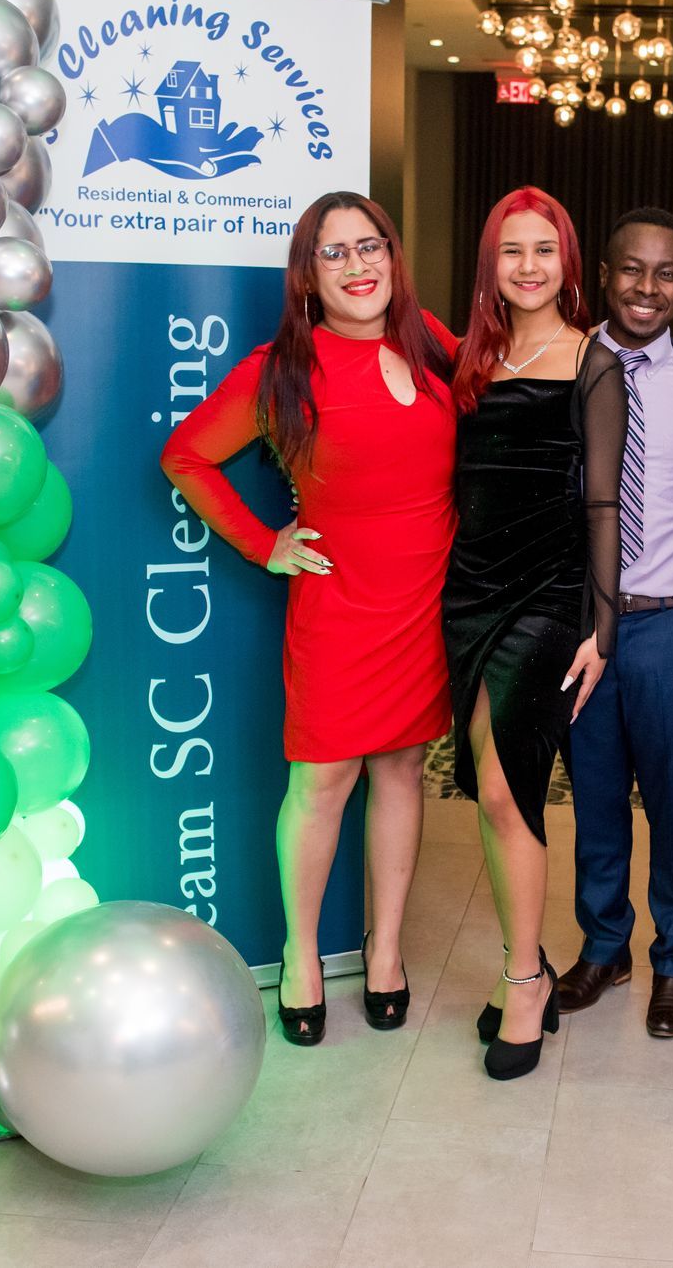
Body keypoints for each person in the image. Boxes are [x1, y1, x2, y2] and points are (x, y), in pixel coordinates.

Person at [161, 191, 458, 1047]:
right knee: (322, 783)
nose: (359, 266)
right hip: (339, 605)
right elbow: (186, 456)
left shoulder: (430, 341)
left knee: (401, 770)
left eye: (372, 246)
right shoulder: (282, 368)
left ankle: (385, 950)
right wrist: (265, 545)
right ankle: (300, 956)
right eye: (336, 253)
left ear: (393, 257)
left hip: (426, 602)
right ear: (308, 275)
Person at [444, 186, 627, 1081]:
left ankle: (524, 980)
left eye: (544, 250)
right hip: (469, 594)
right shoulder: (469, 358)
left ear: (567, 263)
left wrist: (604, 625)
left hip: (551, 598)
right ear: (492, 265)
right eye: (512, 251)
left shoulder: (594, 360)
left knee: (507, 787)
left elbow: (604, 504)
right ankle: (530, 963)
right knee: (488, 786)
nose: (528, 266)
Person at [558, 207, 673, 1039]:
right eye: (632, 269)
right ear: (604, 274)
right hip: (585, 628)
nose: (648, 288)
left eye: (666, 274)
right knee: (595, 799)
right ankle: (604, 948)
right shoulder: (566, 365)